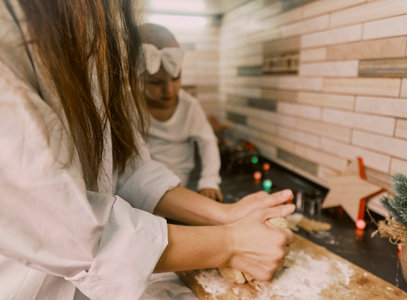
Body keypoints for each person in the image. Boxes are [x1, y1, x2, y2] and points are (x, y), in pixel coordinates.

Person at [0, 1, 295, 300]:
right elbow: (64, 230)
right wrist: (230, 243)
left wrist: (223, 214)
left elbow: (125, 168)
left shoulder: (98, 20)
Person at [138, 23, 223, 202]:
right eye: (155, 82)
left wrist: (209, 180)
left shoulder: (189, 106)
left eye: (175, 78)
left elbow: (207, 142)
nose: (168, 89)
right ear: (137, 79)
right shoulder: (132, 105)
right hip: (144, 183)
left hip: (181, 184)